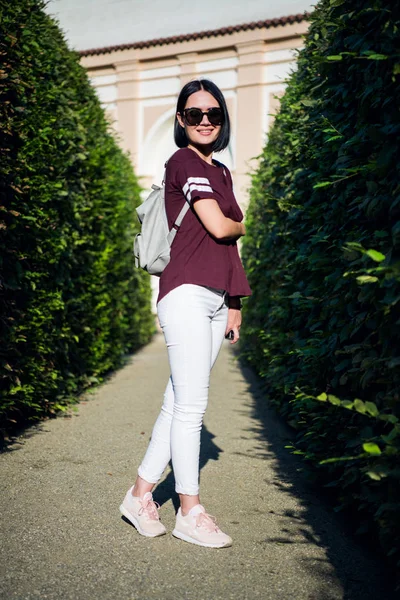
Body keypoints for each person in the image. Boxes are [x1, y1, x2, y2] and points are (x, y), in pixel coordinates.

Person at [120, 79, 251, 548]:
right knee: (192, 406)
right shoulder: (182, 162)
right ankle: (190, 511)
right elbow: (222, 226)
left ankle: (138, 495)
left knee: (178, 401)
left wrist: (234, 303)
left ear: (222, 118)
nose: (205, 121)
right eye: (194, 114)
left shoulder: (222, 172)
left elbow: (229, 248)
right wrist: (242, 220)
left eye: (213, 112)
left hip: (217, 299)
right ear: (181, 121)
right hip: (185, 293)